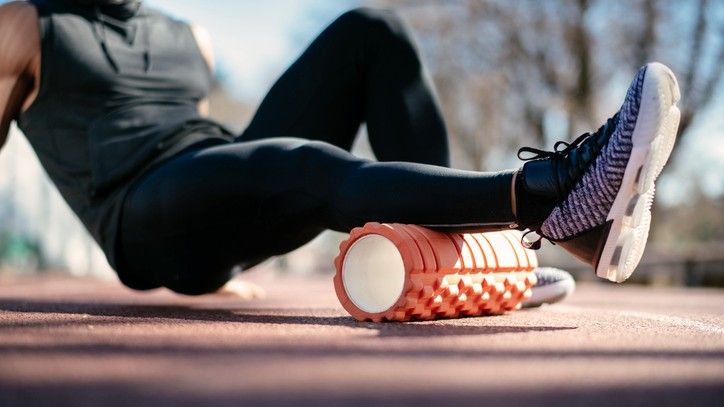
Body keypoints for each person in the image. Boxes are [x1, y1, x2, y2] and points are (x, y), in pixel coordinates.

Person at [0, 0, 680, 296]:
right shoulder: (25, 25)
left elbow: (217, 159)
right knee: (297, 162)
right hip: (139, 213)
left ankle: (458, 259)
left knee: (371, 30)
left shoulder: (189, 37)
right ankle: (547, 195)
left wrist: (225, 255)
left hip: (211, 182)